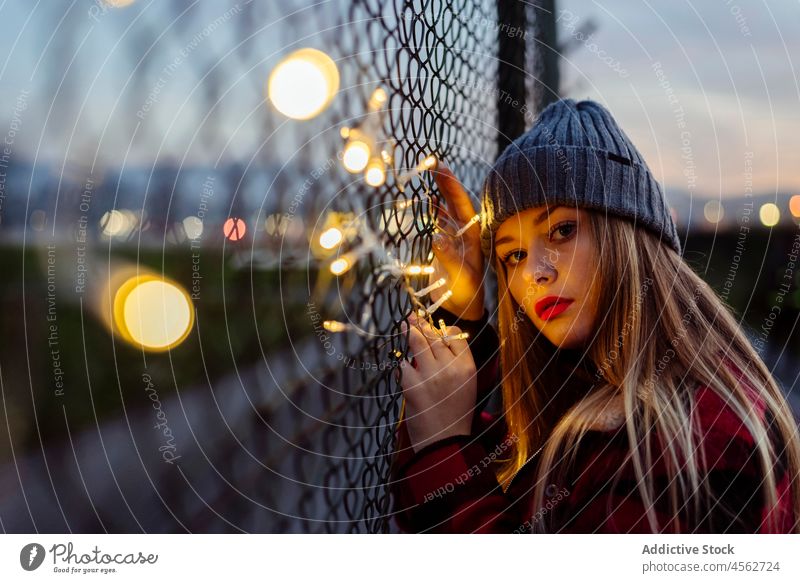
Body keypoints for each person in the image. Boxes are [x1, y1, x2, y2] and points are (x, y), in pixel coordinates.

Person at [390, 98, 800, 533]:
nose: (534, 273)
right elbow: (476, 485)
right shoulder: (592, 403)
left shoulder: (691, 442)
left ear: (628, 236)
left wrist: (443, 445)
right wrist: (462, 323)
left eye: (562, 230)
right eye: (513, 254)